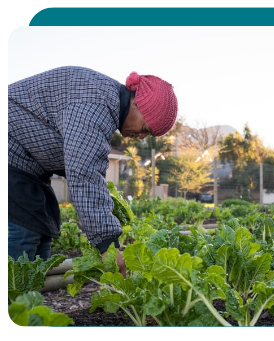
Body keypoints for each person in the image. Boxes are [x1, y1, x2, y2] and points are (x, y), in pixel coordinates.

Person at [8, 66, 178, 277]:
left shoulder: (103, 101)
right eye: (145, 128)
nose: (141, 136)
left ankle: (25, 301)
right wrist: (107, 244)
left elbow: (81, 161)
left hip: (29, 168)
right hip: (11, 157)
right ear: (136, 103)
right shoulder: (95, 104)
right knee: (24, 233)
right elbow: (84, 174)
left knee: (42, 233)